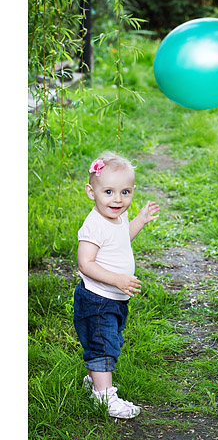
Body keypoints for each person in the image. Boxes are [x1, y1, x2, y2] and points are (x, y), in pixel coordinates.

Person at [74, 152, 159, 419]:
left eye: (125, 192)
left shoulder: (119, 217)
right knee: (103, 345)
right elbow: (85, 263)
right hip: (97, 299)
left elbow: (122, 239)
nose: (118, 199)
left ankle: (96, 380)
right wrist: (118, 279)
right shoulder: (94, 225)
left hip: (114, 299)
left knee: (109, 340)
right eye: (109, 192)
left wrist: (140, 220)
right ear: (92, 192)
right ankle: (104, 396)